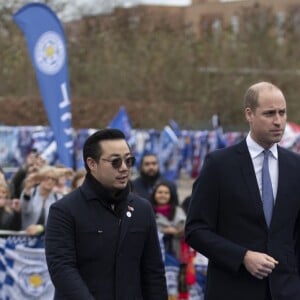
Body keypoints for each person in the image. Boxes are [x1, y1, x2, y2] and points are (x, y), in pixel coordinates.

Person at [185, 82, 300, 300]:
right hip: (233, 289)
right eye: (269, 113)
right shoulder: (219, 165)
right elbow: (196, 230)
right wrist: (242, 256)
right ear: (249, 114)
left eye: (282, 113)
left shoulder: (295, 167)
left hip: (286, 291)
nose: (278, 121)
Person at [45, 129, 168, 300]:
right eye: (115, 162)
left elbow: (153, 272)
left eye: (129, 160)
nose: (124, 168)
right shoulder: (64, 210)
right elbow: (62, 269)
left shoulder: (142, 209)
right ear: (92, 164)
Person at [21, 165, 64, 235]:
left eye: (53, 179)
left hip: (48, 238)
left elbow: (58, 221)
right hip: (26, 237)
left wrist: (41, 228)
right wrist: (27, 191)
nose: (50, 181)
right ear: (40, 179)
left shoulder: (58, 197)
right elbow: (25, 209)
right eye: (47, 178)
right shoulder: (30, 192)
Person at [150, 181, 186, 259]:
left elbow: (187, 229)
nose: (163, 195)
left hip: (177, 254)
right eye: (160, 192)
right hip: (155, 253)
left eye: (166, 193)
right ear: (154, 194)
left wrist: (177, 232)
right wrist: (162, 230)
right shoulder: (148, 211)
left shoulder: (179, 211)